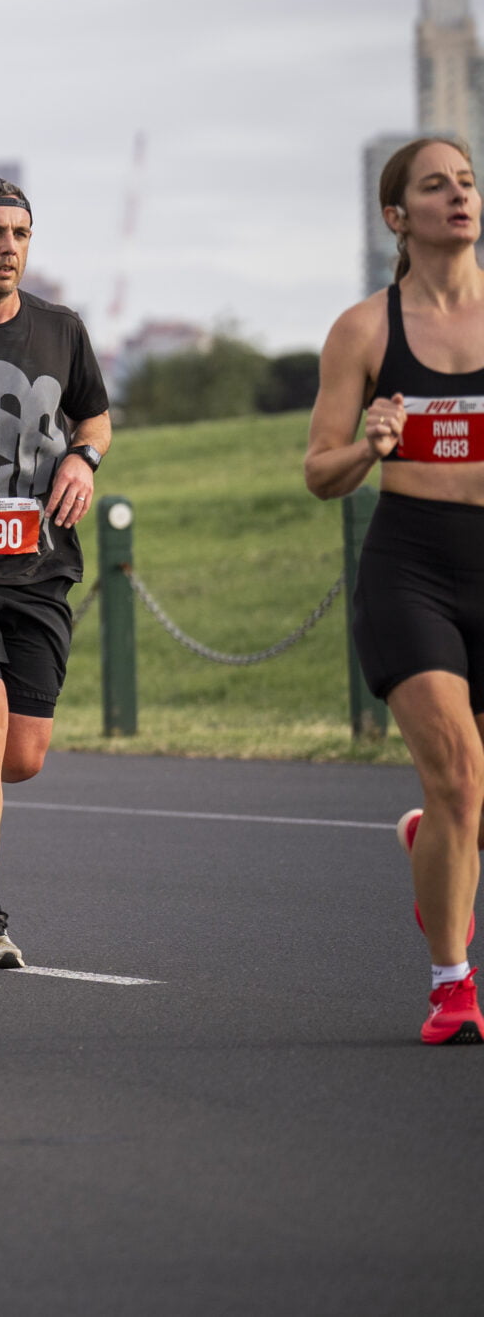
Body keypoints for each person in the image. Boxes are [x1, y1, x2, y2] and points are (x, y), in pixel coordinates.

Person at [306, 134, 484, 1045]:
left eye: (466, 182)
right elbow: (318, 472)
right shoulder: (366, 330)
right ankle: (452, 984)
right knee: (457, 774)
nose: (458, 196)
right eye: (434, 186)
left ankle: (435, 855)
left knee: (471, 803)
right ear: (396, 216)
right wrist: (369, 445)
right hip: (412, 564)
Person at [0, 177, 111, 969]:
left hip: (40, 567)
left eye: (21, 233)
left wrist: (85, 457)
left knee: (19, 755)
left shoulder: (61, 329)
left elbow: (94, 415)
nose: (9, 246)